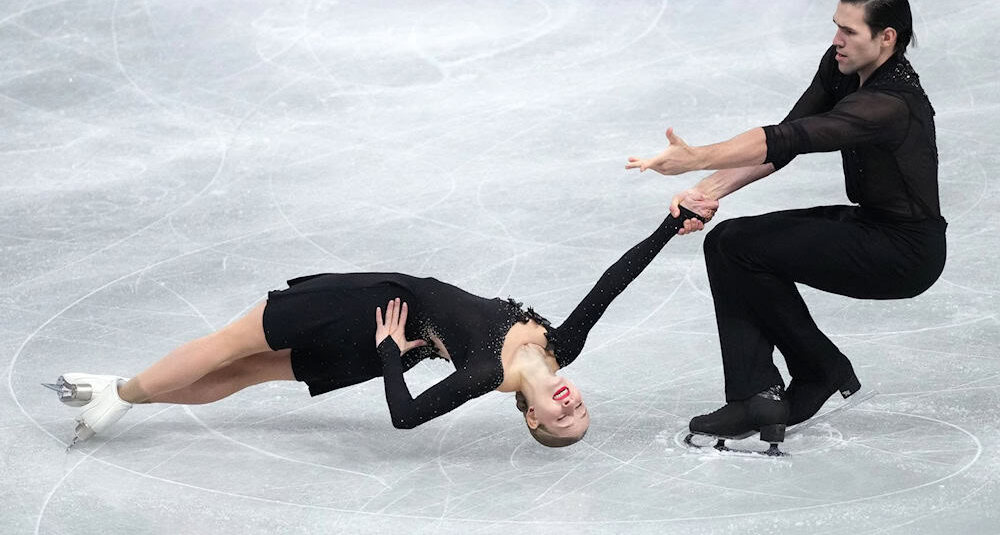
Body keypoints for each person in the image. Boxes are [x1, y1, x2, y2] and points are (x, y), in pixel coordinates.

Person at [48, 200, 715, 449]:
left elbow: (405, 418)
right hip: (386, 340)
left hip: (376, 317)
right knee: (242, 371)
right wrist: (669, 224)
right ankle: (123, 386)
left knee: (232, 350)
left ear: (533, 418)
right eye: (582, 415)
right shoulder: (560, 346)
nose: (573, 409)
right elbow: (615, 281)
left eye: (562, 423)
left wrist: (392, 351)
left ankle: (125, 395)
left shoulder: (488, 374)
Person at [626, 0, 945, 449]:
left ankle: (816, 368)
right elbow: (787, 137)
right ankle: (756, 395)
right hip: (871, 224)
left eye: (850, 32)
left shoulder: (891, 105)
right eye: (836, 26)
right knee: (730, 243)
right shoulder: (842, 67)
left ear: (887, 38)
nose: (837, 40)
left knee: (745, 250)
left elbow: (787, 138)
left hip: (905, 252)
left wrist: (697, 157)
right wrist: (708, 189)